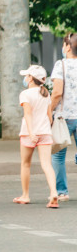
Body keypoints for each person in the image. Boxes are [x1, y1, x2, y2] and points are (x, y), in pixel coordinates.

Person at [15, 65, 59, 208]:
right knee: (47, 164)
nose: (25, 78)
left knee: (25, 164)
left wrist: (31, 132)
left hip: (29, 133)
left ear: (30, 78)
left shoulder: (25, 94)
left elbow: (28, 114)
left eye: (26, 75)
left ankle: (25, 195)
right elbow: (49, 117)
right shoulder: (45, 94)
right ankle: (54, 192)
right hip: (45, 132)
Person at [49, 33, 77, 201]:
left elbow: (57, 92)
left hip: (64, 117)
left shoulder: (61, 65)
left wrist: (49, 110)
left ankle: (62, 192)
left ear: (67, 47)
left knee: (58, 155)